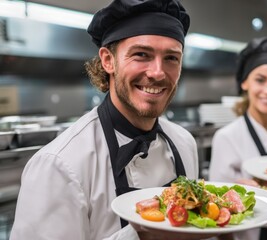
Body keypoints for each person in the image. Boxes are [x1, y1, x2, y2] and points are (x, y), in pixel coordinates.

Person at [10, 0, 205, 239]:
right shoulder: (60, 165)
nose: (157, 72)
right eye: (141, 54)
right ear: (108, 60)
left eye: (171, 58)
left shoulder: (184, 142)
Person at [208, 36, 267, 240]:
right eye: (260, 80)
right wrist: (241, 191)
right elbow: (216, 210)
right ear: (244, 82)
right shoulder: (227, 137)